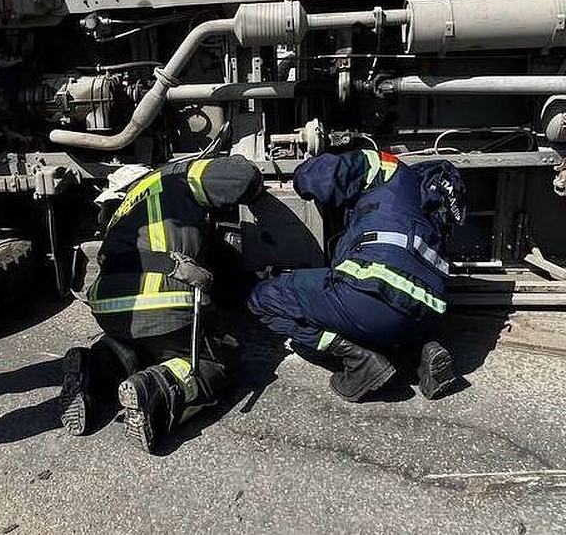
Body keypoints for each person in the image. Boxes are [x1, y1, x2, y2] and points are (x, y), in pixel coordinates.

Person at [55, 155, 263, 453]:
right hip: (163, 299)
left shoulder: (121, 207)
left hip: (107, 307)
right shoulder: (173, 177)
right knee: (217, 360)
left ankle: (95, 368)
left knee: (139, 350)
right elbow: (240, 176)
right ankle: (157, 390)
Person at [248, 149, 463, 402]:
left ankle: (360, 361)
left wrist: (302, 166)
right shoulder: (438, 214)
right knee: (395, 317)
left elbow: (319, 177)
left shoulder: (391, 169)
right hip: (428, 318)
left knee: (262, 298)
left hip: (369, 298)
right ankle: (425, 349)